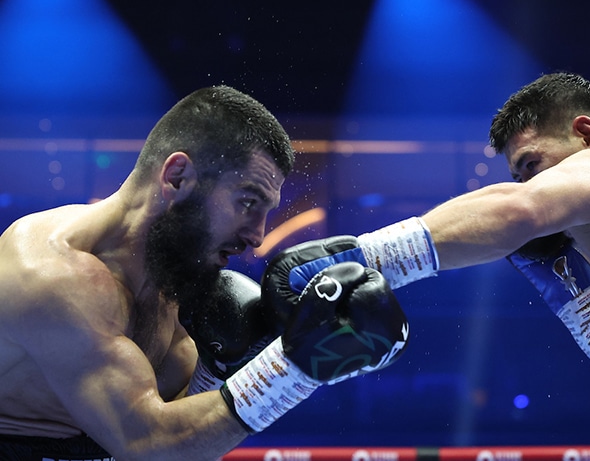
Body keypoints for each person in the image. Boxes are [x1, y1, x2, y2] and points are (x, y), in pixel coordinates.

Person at [268, 72, 590, 460]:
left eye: (532, 165)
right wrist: (577, 302)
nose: (532, 186)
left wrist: (362, 257)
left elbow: (517, 210)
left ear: (588, 136)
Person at [0, 86, 409, 461]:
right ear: (177, 178)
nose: (258, 236)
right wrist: (297, 368)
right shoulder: (53, 274)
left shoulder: (174, 276)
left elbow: (188, 435)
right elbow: (150, 445)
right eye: (248, 202)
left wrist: (221, 368)